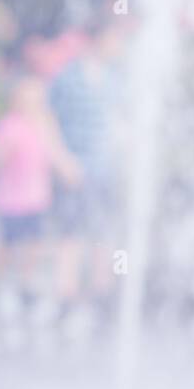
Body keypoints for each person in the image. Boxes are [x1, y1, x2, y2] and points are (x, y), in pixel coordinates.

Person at [0, 76, 81, 324]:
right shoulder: (10, 125)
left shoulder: (45, 126)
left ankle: (25, 284)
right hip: (10, 199)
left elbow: (55, 151)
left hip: (36, 198)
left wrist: (69, 170)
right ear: (17, 102)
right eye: (28, 101)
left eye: (37, 101)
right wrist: (7, 150)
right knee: (7, 243)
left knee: (34, 243)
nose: (33, 106)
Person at [48, 22, 124, 324]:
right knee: (72, 230)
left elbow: (121, 120)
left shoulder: (115, 79)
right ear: (100, 40)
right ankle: (66, 296)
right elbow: (48, 117)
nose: (120, 45)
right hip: (76, 167)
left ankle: (101, 295)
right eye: (116, 38)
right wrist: (62, 159)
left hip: (105, 168)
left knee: (103, 229)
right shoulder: (68, 78)